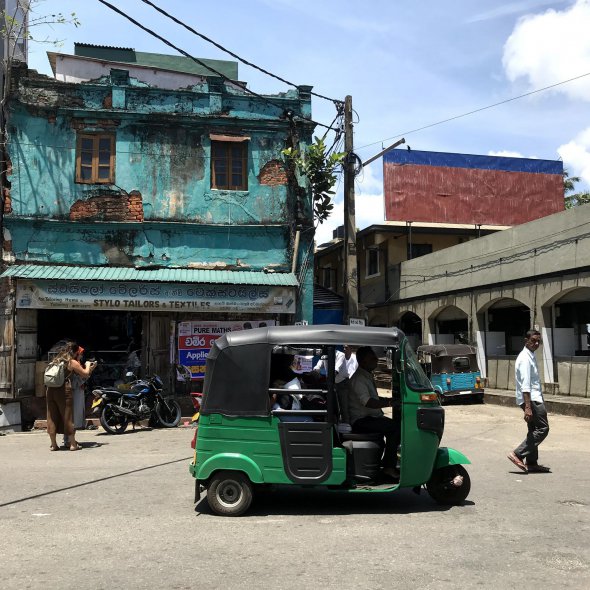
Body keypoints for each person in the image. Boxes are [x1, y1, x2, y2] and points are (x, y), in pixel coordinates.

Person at [348, 346, 400, 479]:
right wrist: (388, 403)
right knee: (394, 428)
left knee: (395, 425)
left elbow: (374, 398)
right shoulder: (359, 379)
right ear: (363, 362)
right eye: (372, 358)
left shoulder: (367, 375)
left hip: (369, 417)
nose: (376, 360)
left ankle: (387, 462)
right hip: (361, 421)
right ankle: (389, 466)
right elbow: (368, 402)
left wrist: (389, 400)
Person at [507, 330, 551, 473]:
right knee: (543, 428)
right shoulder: (525, 358)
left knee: (533, 429)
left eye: (538, 341)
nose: (536, 343)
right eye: (533, 340)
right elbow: (525, 385)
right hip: (531, 399)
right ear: (526, 340)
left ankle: (532, 463)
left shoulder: (530, 355)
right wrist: (528, 407)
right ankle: (517, 454)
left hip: (533, 398)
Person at [46, 341, 97, 452]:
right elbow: (84, 373)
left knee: (52, 416)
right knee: (68, 416)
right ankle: (72, 444)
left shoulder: (56, 360)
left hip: (50, 390)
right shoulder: (72, 362)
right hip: (63, 390)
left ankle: (53, 445)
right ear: (74, 353)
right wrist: (88, 366)